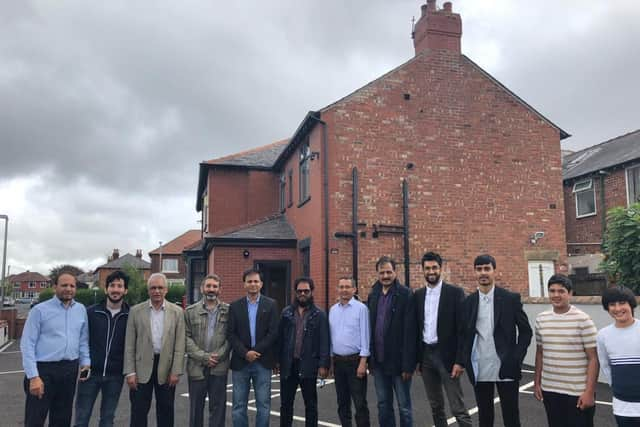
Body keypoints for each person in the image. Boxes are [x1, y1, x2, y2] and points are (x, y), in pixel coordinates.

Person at [463, 254, 532, 427]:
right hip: (480, 366)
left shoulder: (510, 299)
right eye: (479, 269)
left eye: (487, 268)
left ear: (494, 271)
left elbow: (526, 331)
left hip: (506, 365)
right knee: (485, 418)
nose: (483, 273)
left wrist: (517, 357)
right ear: (474, 273)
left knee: (511, 417)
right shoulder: (468, 302)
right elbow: (464, 334)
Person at [21, 267, 91, 427]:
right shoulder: (39, 310)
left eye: (72, 286)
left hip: (69, 370)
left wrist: (85, 363)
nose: (68, 289)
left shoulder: (81, 310)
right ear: (55, 287)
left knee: (62, 419)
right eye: (64, 285)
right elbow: (27, 344)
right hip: (43, 371)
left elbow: (83, 340)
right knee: (35, 419)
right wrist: (33, 377)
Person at [413, 252, 472, 427]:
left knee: (458, 407)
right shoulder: (418, 295)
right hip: (426, 356)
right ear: (422, 270)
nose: (431, 271)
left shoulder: (455, 293)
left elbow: (463, 331)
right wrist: (418, 359)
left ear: (441, 269)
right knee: (436, 406)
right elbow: (417, 329)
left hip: (447, 357)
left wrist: (460, 361)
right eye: (427, 268)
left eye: (434, 268)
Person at [533, 274, 598, 427]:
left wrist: (589, 392)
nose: (556, 295)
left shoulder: (583, 320)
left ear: (570, 293)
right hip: (550, 390)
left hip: (577, 392)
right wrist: (537, 383)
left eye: (561, 291)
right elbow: (540, 353)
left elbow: (593, 358)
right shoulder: (541, 319)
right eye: (552, 291)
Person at [123, 273, 186, 427]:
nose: (156, 291)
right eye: (153, 288)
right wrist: (130, 372)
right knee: (138, 410)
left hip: (166, 367)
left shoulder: (177, 312)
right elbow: (130, 343)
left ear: (166, 290)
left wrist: (176, 371)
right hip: (141, 366)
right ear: (148, 290)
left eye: (160, 287)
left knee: (166, 410)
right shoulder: (135, 311)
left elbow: (180, 344)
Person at [75, 270, 131, 427]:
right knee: (81, 417)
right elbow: (82, 340)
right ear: (106, 289)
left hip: (115, 376)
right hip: (90, 374)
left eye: (120, 286)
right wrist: (83, 365)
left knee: (107, 419)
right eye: (112, 285)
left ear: (125, 290)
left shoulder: (131, 315)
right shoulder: (91, 312)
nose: (115, 289)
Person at [227, 268, 279, 427]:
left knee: (263, 405)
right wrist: (245, 353)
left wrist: (256, 352)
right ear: (244, 284)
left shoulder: (271, 305)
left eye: (256, 281)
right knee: (238, 406)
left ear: (261, 284)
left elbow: (273, 333)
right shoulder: (235, 306)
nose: (253, 284)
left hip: (262, 362)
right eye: (249, 281)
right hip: (240, 362)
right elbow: (231, 334)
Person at [368, 256, 416, 427]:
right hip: (379, 363)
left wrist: (408, 365)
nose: (386, 275)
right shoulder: (373, 295)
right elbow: (370, 329)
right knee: (383, 404)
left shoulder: (406, 294)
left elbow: (411, 333)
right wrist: (370, 360)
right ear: (377, 274)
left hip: (399, 363)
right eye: (382, 272)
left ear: (395, 272)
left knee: (404, 406)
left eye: (389, 272)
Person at [276, 277, 330, 427]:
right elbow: (280, 339)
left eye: (306, 291)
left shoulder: (319, 315)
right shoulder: (286, 313)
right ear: (295, 292)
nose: (302, 293)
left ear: (311, 292)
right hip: (289, 365)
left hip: (309, 364)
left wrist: (323, 364)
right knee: (286, 404)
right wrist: (277, 361)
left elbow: (324, 341)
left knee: (311, 406)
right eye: (299, 291)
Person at [184, 274, 230, 427]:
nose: (211, 289)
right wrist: (204, 357)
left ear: (220, 290)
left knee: (218, 409)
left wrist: (219, 356)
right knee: (196, 410)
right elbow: (185, 338)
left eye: (215, 286)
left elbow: (231, 337)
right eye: (208, 286)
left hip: (219, 367)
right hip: (196, 368)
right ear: (202, 288)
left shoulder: (229, 311)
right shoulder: (190, 312)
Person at [329, 277, 371, 427]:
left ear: (354, 290)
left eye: (347, 287)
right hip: (338, 362)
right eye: (341, 287)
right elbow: (332, 338)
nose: (344, 290)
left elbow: (366, 336)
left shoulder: (361, 309)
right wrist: (331, 361)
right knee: (342, 403)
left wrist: (363, 362)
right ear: (338, 289)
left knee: (359, 403)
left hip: (355, 362)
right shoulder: (333, 310)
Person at [597, 286, 640, 427]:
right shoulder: (603, 335)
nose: (617, 308)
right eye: (612, 304)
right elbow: (605, 365)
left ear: (631, 304)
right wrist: (616, 387)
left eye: (622, 303)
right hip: (622, 406)